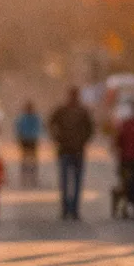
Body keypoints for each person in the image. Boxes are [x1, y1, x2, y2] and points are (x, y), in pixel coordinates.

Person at [48, 86, 95, 220]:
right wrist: (57, 138)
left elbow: (90, 129)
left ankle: (73, 210)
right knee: (66, 182)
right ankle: (66, 209)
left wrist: (83, 140)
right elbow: (51, 123)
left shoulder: (82, 111)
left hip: (77, 151)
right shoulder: (62, 110)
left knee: (75, 182)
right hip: (66, 150)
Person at [14, 101, 44, 187]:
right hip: (25, 141)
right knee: (25, 159)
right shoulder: (23, 118)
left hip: (32, 140)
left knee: (33, 160)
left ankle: (33, 178)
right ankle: (25, 178)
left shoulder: (34, 117)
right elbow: (18, 128)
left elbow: (38, 128)